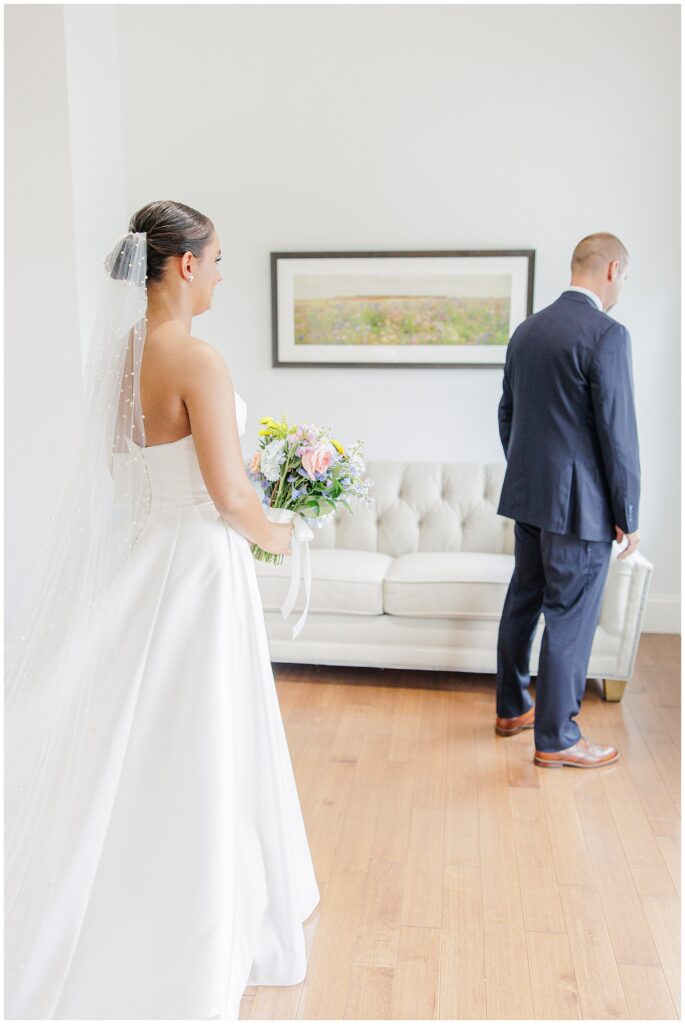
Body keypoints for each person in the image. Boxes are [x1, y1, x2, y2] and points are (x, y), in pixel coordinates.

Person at [5, 201, 320, 1018]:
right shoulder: (199, 358)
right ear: (184, 265)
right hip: (199, 570)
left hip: (140, 557)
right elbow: (226, 496)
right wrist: (283, 536)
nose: (219, 273)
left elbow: (124, 463)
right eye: (216, 260)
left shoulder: (126, 349)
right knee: (200, 737)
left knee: (129, 734)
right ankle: (190, 927)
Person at [494, 232, 641, 768]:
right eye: (624, 275)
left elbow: (506, 414)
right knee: (569, 617)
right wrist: (627, 513)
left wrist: (530, 473)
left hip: (529, 498)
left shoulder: (527, 331)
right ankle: (557, 738)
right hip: (580, 509)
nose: (623, 284)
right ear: (612, 269)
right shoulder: (606, 333)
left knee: (524, 600)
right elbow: (617, 432)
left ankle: (512, 708)